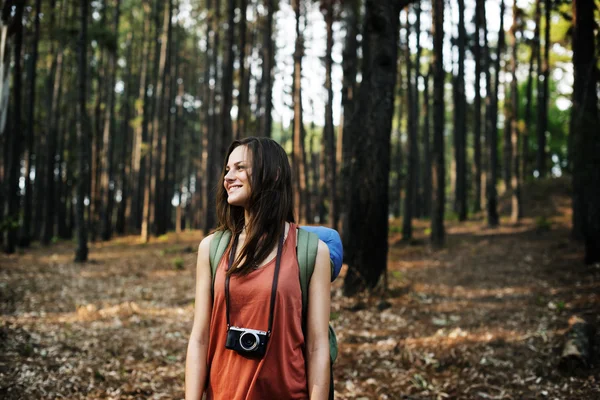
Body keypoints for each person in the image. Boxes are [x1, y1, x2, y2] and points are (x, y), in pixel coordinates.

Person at [185, 137, 331, 400]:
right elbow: (200, 338)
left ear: (273, 174)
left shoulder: (311, 252)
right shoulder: (212, 248)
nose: (228, 177)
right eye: (227, 170)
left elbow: (317, 346)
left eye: (240, 168)